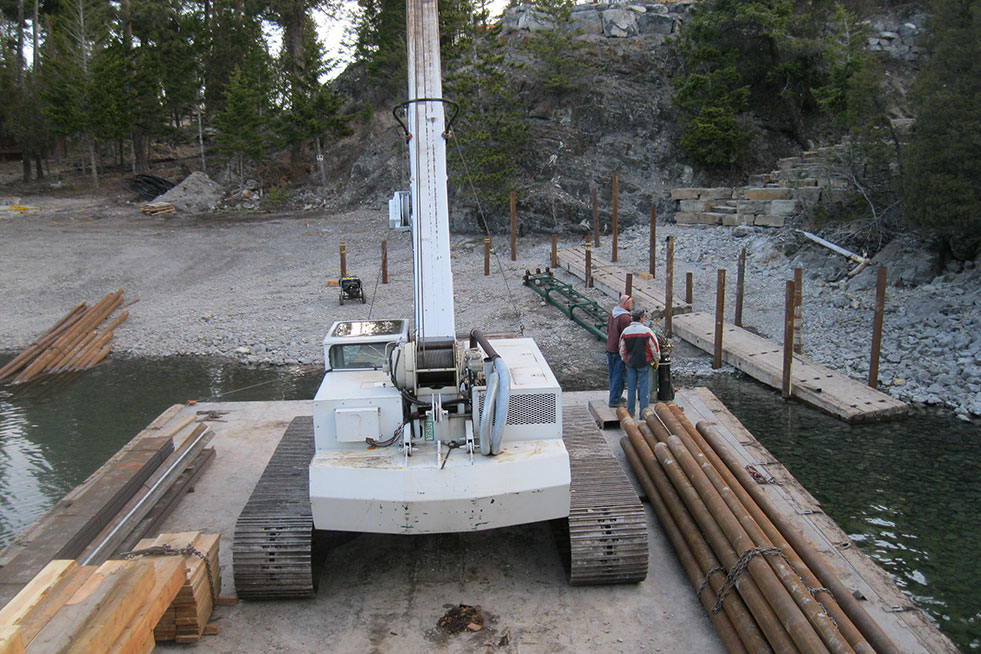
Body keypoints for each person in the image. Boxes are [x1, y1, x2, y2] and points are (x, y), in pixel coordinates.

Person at [619, 308, 660, 417]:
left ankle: (630, 412)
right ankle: (644, 413)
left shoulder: (625, 332)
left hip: (631, 364)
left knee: (631, 388)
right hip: (644, 363)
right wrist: (656, 361)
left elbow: (622, 349)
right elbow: (655, 348)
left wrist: (625, 360)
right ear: (641, 318)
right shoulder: (647, 331)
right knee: (644, 389)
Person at [606, 294, 633, 407]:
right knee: (619, 375)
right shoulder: (625, 318)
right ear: (625, 303)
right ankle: (614, 400)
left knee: (613, 375)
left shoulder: (613, 313)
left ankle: (614, 395)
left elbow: (608, 329)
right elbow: (627, 335)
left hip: (610, 348)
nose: (632, 305)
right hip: (618, 350)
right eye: (631, 303)